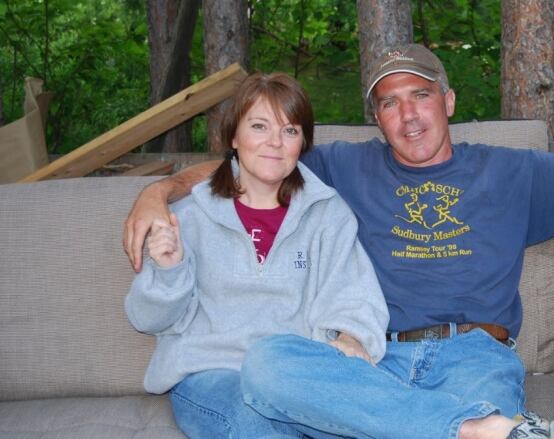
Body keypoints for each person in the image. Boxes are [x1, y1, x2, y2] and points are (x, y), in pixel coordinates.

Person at [124, 44, 554, 439]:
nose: (408, 115)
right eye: (390, 103)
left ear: (449, 101)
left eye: (421, 95)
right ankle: (489, 432)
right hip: (375, 361)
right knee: (271, 362)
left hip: (475, 353)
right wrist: (159, 194)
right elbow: (251, 167)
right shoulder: (341, 170)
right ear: (376, 119)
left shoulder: (512, 172)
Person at [124, 72, 389, 439]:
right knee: (259, 428)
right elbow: (146, 318)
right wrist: (169, 271)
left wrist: (351, 337)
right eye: (260, 126)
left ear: (303, 144)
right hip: (210, 373)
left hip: (291, 376)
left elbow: (354, 295)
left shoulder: (327, 214)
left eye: (290, 131)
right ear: (234, 137)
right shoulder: (189, 216)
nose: (275, 143)